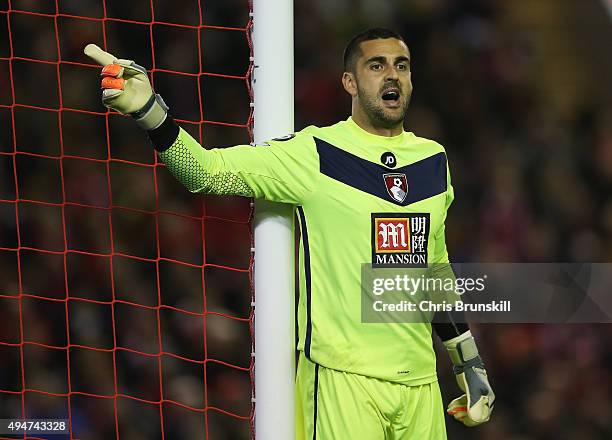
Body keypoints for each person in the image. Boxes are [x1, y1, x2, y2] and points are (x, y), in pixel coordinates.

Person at [85, 27, 494, 439]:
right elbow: (203, 172)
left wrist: (468, 362)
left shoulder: (432, 161)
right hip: (342, 379)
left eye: (401, 66)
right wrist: (149, 111)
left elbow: (435, 271)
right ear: (350, 81)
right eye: (377, 65)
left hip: (420, 384)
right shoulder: (315, 152)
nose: (392, 75)